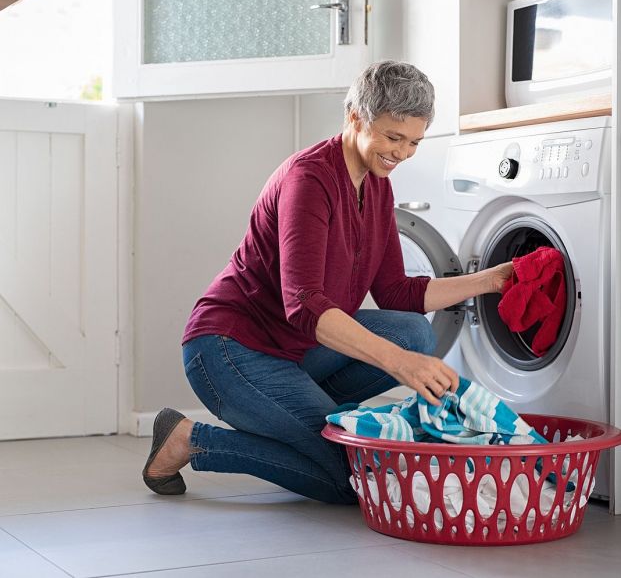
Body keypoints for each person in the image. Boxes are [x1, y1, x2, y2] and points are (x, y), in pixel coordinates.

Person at [142, 60, 514, 503]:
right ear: (356, 118)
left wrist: (490, 280)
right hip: (230, 349)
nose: (402, 153)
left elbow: (396, 292)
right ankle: (192, 439)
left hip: (296, 352)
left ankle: (304, 420)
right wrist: (399, 364)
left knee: (414, 333)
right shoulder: (309, 179)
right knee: (355, 479)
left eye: (414, 141)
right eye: (393, 138)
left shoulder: (377, 185)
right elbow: (304, 304)